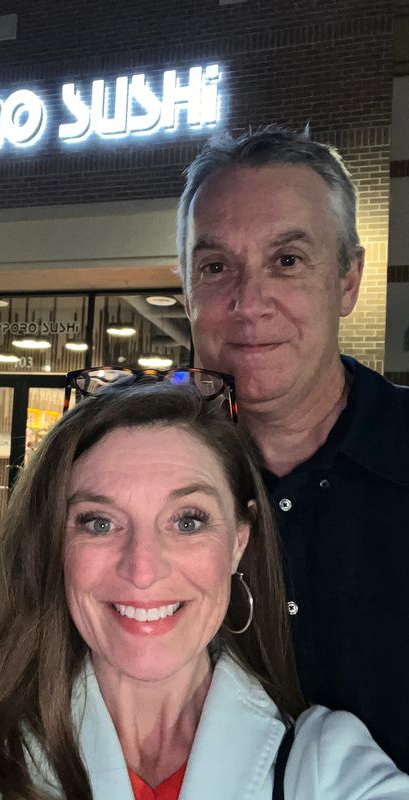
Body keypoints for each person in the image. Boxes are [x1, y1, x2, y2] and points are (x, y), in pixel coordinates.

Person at [0, 375, 408, 800]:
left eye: (187, 520)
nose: (142, 569)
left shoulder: (326, 767)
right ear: (54, 546)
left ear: (238, 540)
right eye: (98, 522)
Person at [177, 126, 409, 771]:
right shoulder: (143, 481)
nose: (248, 304)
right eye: (217, 267)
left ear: (347, 280)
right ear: (188, 292)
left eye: (287, 260)